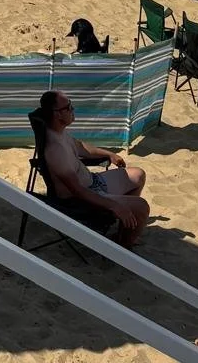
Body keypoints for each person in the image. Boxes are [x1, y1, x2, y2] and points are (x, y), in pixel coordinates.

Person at [36, 91, 150, 247]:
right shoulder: (55, 150)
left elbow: (81, 147)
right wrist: (114, 205)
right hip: (81, 200)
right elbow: (77, 191)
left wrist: (109, 154)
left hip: (93, 182)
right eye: (68, 107)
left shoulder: (59, 132)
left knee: (138, 175)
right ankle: (123, 246)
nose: (73, 109)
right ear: (57, 114)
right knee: (141, 206)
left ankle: (124, 228)